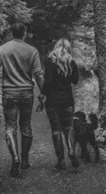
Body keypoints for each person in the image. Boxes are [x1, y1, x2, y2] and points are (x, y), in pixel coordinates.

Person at [0, 22, 44, 177]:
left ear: (12, 33)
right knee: (26, 126)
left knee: (10, 127)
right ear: (24, 33)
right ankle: (25, 158)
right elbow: (38, 74)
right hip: (26, 92)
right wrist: (43, 92)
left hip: (9, 93)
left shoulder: (2, 49)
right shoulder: (32, 51)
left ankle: (15, 158)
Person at [41, 37, 80, 169]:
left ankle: (61, 161)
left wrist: (43, 95)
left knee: (56, 130)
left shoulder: (49, 61)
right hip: (68, 100)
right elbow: (75, 81)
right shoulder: (71, 61)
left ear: (55, 47)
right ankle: (71, 151)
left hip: (52, 101)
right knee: (69, 128)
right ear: (68, 48)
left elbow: (47, 82)